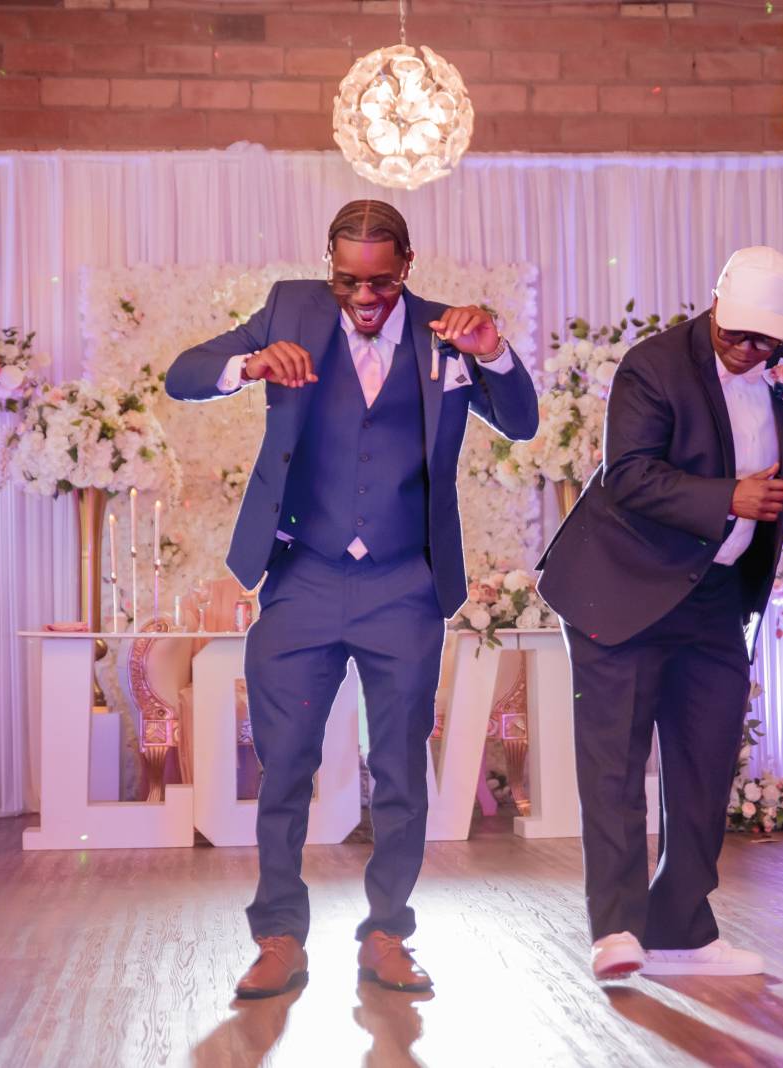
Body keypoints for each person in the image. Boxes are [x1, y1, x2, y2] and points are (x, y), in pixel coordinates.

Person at [164, 200, 539, 998]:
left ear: (407, 265)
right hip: (302, 577)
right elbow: (183, 375)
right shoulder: (289, 309)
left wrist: (495, 353)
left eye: (380, 282)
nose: (364, 299)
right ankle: (278, 937)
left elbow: (523, 422)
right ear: (328, 266)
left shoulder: (448, 333)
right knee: (284, 766)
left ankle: (387, 935)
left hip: (404, 582)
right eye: (347, 281)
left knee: (400, 768)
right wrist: (249, 365)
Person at [537, 247, 783, 980]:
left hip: (713, 594)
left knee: (706, 764)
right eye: (735, 333)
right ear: (715, 304)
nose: (748, 350)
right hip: (621, 586)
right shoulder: (654, 366)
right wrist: (728, 497)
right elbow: (628, 475)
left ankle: (682, 927)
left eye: (764, 340)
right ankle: (616, 932)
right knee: (615, 767)